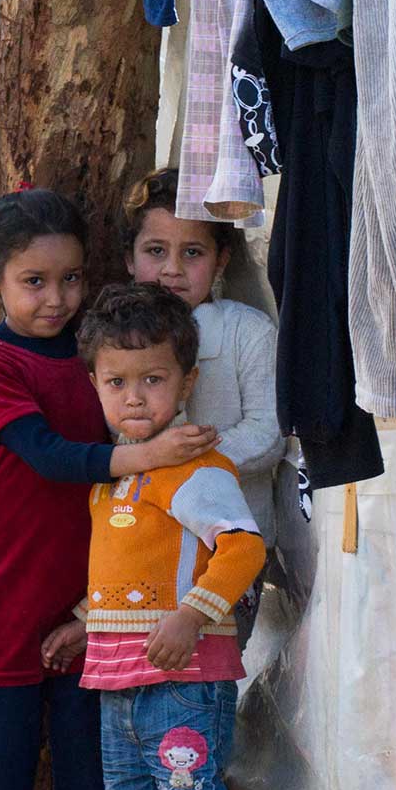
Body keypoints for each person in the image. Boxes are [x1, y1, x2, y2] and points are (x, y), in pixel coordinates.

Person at [0, 189, 218, 790]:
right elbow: (46, 454)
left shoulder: (94, 357)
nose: (56, 298)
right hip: (13, 591)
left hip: (100, 593)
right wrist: (142, 456)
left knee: (90, 762)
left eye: (70, 280)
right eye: (35, 281)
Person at [44, 282, 265, 790]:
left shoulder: (195, 470)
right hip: (116, 680)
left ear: (187, 382)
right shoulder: (112, 480)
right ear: (96, 385)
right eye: (117, 381)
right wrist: (83, 624)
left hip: (185, 682)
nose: (134, 396)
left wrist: (193, 614)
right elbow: (125, 571)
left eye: (152, 379)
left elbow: (243, 548)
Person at [120, 167, 286, 640]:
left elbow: (267, 432)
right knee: (144, 667)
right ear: (130, 260)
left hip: (228, 553)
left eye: (191, 252)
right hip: (140, 546)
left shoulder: (246, 333)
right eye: (156, 251)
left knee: (210, 675)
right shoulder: (113, 335)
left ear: (220, 261)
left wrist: (183, 461)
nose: (171, 269)